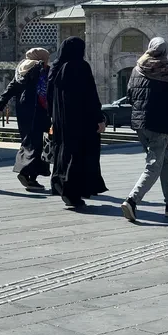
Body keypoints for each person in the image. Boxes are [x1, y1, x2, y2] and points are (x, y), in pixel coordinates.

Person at [122, 37, 168, 222]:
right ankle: (132, 200)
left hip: (140, 125)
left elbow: (130, 95)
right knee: (153, 165)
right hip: (158, 125)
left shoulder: (136, 69)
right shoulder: (166, 71)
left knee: (166, 165)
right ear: (165, 52)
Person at [47, 36, 108, 210]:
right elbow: (90, 95)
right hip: (81, 120)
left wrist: (52, 117)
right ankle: (72, 192)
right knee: (80, 154)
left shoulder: (55, 68)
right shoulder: (80, 67)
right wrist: (99, 118)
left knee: (63, 152)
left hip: (60, 120)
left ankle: (60, 185)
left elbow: (49, 96)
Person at [0, 47, 51, 192]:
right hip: (38, 112)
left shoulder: (21, 71)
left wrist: (0, 106)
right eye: (46, 59)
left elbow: (9, 89)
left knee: (29, 142)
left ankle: (30, 178)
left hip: (24, 113)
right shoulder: (38, 69)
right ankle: (26, 173)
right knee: (38, 144)